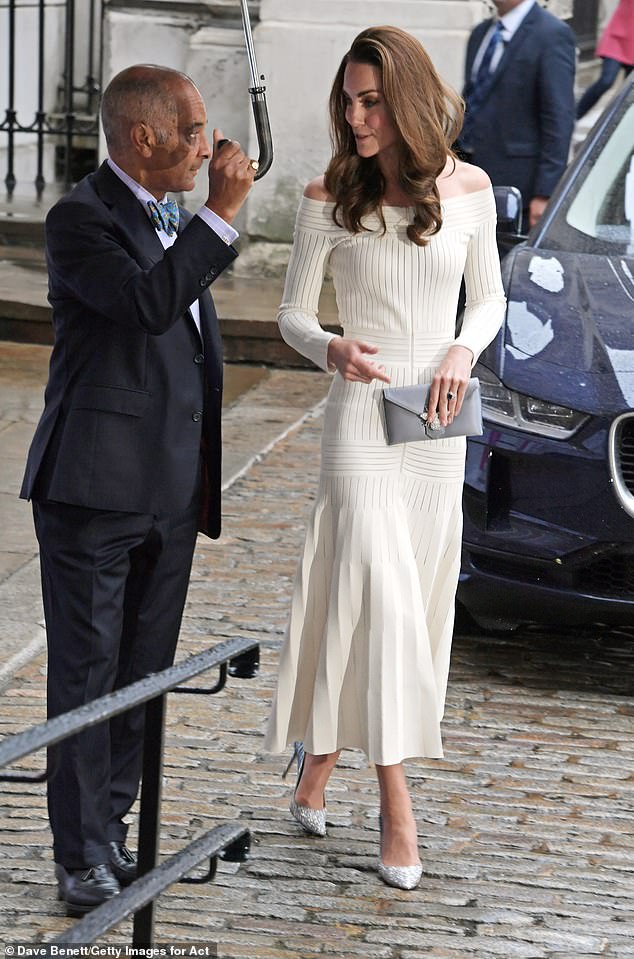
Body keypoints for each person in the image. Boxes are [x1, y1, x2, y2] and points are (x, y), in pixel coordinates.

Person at [264, 26, 506, 890]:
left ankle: (320, 756)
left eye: (371, 101)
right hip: (359, 415)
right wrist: (332, 347)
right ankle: (396, 805)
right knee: (382, 594)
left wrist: (458, 353)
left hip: (434, 416)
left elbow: (488, 303)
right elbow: (293, 314)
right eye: (348, 101)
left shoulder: (469, 188)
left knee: (403, 600)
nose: (356, 117)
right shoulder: (330, 191)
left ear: (405, 99)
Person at [20, 64, 256, 915]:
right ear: (145, 138)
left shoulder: (169, 218)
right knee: (86, 671)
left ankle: (114, 828)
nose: (208, 142)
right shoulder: (79, 219)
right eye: (193, 129)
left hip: (168, 488)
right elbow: (150, 303)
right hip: (91, 487)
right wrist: (220, 218)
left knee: (143, 673)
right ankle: (78, 852)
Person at [458, 0, 576, 228]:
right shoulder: (480, 34)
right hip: (469, 180)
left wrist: (545, 193)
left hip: (518, 187)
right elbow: (470, 103)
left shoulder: (552, 34)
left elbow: (559, 119)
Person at [576, 0, 634, 120]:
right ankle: (573, 117)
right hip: (618, 36)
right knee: (606, 81)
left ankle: (615, 126)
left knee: (629, 93)